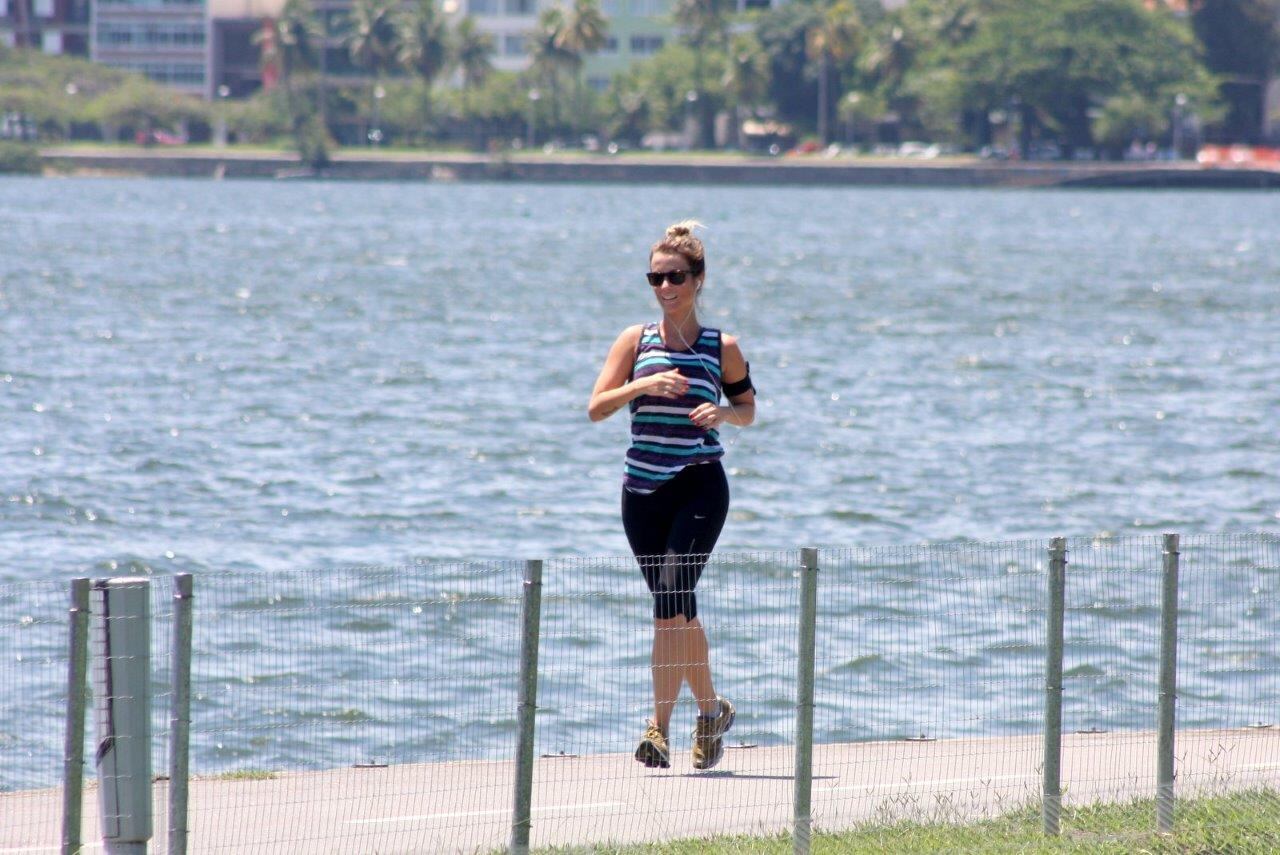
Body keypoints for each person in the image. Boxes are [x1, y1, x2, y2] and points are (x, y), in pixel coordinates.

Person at [588, 221, 756, 770]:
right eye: (656, 277)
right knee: (678, 611)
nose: (665, 287)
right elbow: (597, 407)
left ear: (698, 279)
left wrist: (724, 414)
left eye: (676, 277)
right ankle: (709, 711)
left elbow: (749, 411)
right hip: (641, 492)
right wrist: (643, 384)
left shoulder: (720, 347)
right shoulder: (635, 341)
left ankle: (657, 730)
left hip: (699, 483)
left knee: (668, 606)